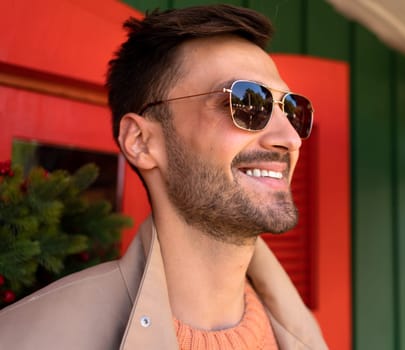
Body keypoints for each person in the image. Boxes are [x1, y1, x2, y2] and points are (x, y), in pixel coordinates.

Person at [0, 4, 327, 349]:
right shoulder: (28, 337)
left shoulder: (303, 335)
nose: (289, 138)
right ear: (141, 142)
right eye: (246, 103)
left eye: (292, 110)